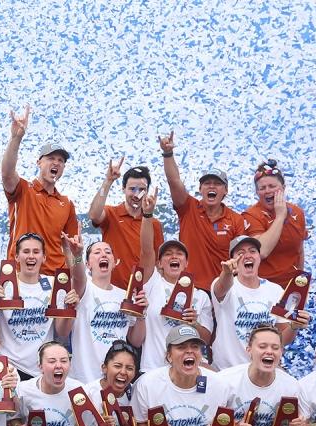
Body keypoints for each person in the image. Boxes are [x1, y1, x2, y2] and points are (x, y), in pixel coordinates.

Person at [158, 131, 250, 292]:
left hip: (222, 291)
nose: (212, 186)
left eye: (217, 183)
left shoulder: (236, 220)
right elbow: (174, 181)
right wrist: (168, 154)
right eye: (207, 183)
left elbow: (240, 258)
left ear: (226, 190)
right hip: (189, 289)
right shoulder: (188, 208)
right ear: (200, 189)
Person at [135, 190, 215, 372]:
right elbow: (146, 250)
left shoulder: (201, 296)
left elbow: (206, 339)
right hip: (154, 369)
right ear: (159, 263)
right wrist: (147, 215)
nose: (174, 256)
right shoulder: (152, 283)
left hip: (188, 372)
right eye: (168, 254)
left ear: (186, 263)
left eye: (179, 254)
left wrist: (194, 323)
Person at [0, 105, 81, 276]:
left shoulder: (66, 203)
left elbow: (70, 247)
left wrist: (73, 278)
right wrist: (16, 138)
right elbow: (7, 174)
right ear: (39, 163)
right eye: (51, 158)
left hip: (55, 278)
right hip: (20, 274)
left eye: (61, 160)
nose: (56, 163)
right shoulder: (23, 189)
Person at [209, 235, 307, 369]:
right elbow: (221, 289)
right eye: (240, 253)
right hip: (228, 370)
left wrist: (294, 326)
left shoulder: (276, 290)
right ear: (232, 260)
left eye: (252, 251)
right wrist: (227, 273)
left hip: (263, 371)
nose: (247, 255)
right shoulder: (225, 284)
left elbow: (282, 339)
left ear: (259, 257)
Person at [0, 234, 67, 380]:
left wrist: (70, 308)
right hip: (8, 366)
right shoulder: (3, 284)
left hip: (41, 368)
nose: (31, 256)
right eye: (26, 251)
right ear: (16, 257)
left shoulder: (54, 285)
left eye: (36, 252)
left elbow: (62, 332)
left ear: (44, 257)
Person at [67, 240, 146, 383]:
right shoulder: (83, 289)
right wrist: (77, 255)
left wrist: (141, 315)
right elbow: (78, 277)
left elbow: (136, 341)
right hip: (84, 378)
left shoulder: (125, 296)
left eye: (108, 252)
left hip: (116, 380)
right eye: (97, 252)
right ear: (88, 264)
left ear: (115, 262)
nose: (103, 255)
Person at [88, 160, 164, 289]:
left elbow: (158, 263)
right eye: (132, 189)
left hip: (140, 294)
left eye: (141, 190)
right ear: (123, 189)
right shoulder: (111, 214)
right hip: (111, 290)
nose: (136, 195)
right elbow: (94, 215)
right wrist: (108, 181)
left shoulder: (154, 224)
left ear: (147, 191)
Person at [240, 160, 306, 287]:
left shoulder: (297, 212)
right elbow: (262, 251)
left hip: (291, 285)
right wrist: (280, 217)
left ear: (283, 188)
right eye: (262, 188)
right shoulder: (251, 215)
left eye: (272, 186)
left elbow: (300, 249)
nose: (267, 191)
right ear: (257, 192)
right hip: (264, 286)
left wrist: (299, 281)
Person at [11, 341, 82, 426]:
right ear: (40, 366)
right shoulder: (23, 389)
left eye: (64, 361)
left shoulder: (78, 390)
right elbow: (13, 418)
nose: (58, 365)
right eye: (52, 361)